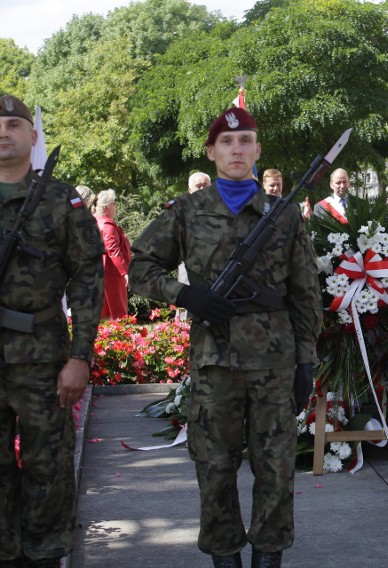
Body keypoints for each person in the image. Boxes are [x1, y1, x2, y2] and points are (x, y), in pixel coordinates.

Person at [129, 106, 322, 568]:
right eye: (227, 143)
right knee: (214, 469)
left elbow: (305, 291)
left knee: (275, 469)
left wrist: (306, 361)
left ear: (257, 150)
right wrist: (186, 295)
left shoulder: (284, 213)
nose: (237, 149)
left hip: (275, 364)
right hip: (215, 364)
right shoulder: (187, 211)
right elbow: (139, 269)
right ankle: (225, 559)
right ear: (212, 151)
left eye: (246, 141)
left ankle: (268, 558)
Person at [0, 95, 104, 568]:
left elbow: (87, 276)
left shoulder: (62, 200)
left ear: (32, 136)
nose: (4, 131)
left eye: (14, 123)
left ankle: (44, 558)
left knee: (49, 465)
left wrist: (80, 356)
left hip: (42, 356)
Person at [94, 189, 131, 319]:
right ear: (106, 208)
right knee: (118, 313)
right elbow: (113, 251)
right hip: (112, 274)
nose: (116, 206)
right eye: (113, 203)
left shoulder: (95, 221)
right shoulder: (107, 225)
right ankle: (121, 338)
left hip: (99, 273)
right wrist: (125, 273)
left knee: (103, 314)